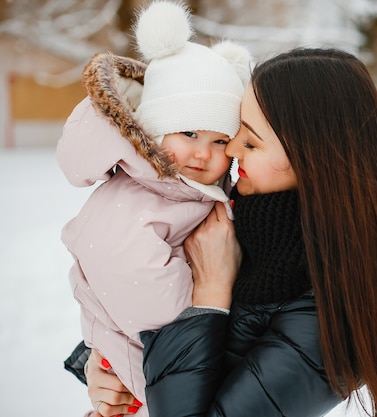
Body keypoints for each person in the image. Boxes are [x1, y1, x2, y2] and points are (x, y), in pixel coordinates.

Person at [66, 47, 377, 417]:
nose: (231, 150)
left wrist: (212, 294)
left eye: (251, 141)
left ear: (314, 160)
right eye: (235, 131)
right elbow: (145, 299)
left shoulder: (348, 299)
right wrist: (107, 367)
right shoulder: (256, 217)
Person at [57, 2, 251, 416]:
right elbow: (133, 275)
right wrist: (202, 313)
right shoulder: (142, 195)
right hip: (146, 365)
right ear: (154, 128)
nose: (203, 153)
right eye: (189, 132)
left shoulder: (184, 190)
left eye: (220, 141)